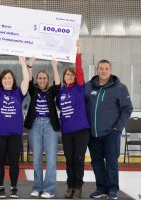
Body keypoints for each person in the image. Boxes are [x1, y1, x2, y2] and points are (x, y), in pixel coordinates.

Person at [85, 59, 133, 200]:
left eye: (106, 68)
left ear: (110, 70)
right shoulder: (88, 86)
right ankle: (101, 188)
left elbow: (127, 109)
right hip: (93, 133)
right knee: (97, 162)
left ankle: (112, 189)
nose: (103, 71)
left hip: (111, 133)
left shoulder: (120, 88)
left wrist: (118, 127)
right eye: (101, 68)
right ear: (97, 70)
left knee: (111, 162)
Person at [0, 53, 30, 199]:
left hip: (15, 133)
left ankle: (14, 187)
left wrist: (22, 62)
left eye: (10, 78)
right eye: (5, 78)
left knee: (14, 162)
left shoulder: (19, 93)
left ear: (13, 80)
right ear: (2, 80)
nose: (7, 80)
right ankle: (0, 187)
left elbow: (27, 79)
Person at [56, 40, 90, 199]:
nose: (69, 76)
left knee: (78, 159)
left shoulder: (79, 87)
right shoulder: (61, 91)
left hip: (81, 131)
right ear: (64, 77)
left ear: (75, 77)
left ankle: (78, 187)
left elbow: (79, 70)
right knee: (68, 159)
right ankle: (70, 186)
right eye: (67, 74)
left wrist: (78, 51)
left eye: (71, 74)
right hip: (67, 131)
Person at [24, 58, 61, 199]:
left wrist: (54, 66)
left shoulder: (51, 92)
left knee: (51, 159)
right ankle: (37, 187)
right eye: (40, 78)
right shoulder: (33, 91)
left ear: (47, 80)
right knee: (36, 159)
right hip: (35, 126)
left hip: (50, 126)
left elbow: (57, 84)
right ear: (37, 80)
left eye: (44, 78)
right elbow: (28, 80)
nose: (42, 80)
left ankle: (49, 189)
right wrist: (30, 64)